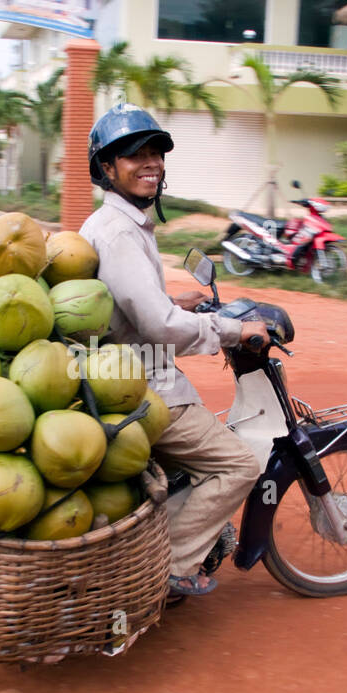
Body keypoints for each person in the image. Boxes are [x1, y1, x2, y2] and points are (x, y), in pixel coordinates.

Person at [79, 103, 266, 597]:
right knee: (239, 465)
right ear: (106, 168)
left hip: (120, 372)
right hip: (145, 388)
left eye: (156, 153)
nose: (151, 163)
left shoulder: (115, 224)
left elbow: (134, 303)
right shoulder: (119, 231)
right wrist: (229, 331)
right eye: (134, 155)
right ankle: (169, 563)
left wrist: (177, 300)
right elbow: (160, 327)